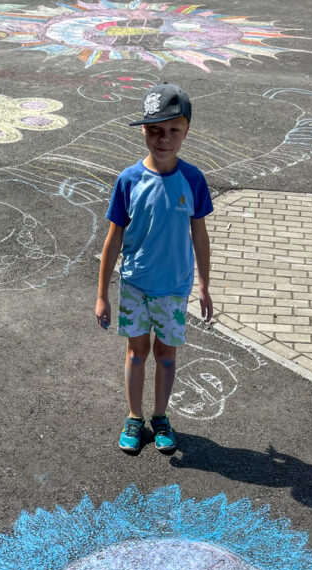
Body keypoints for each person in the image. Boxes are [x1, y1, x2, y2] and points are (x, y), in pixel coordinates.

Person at [96, 82, 214, 454]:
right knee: (136, 353)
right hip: (135, 285)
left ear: (186, 131)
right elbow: (113, 239)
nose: (164, 139)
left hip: (174, 289)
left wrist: (204, 286)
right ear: (144, 131)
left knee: (166, 355)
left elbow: (200, 235)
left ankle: (160, 417)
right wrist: (102, 295)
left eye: (173, 130)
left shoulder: (192, 180)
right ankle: (134, 417)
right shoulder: (129, 180)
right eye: (155, 130)